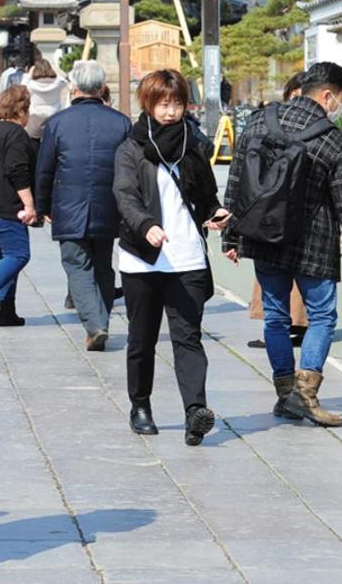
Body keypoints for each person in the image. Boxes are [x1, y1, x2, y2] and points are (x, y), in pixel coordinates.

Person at [223, 61, 342, 428]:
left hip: (264, 237)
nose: (339, 104)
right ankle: (305, 394)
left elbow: (236, 181)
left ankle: (285, 395)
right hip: (315, 242)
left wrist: (232, 235)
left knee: (276, 317)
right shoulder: (332, 139)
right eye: (340, 97)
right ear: (327, 95)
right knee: (322, 316)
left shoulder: (259, 123)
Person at [113, 70, 231, 444]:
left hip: (186, 256)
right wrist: (145, 224)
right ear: (148, 104)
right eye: (164, 104)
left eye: (177, 103)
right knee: (142, 337)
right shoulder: (131, 147)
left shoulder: (193, 144)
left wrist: (214, 214)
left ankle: (195, 411)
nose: (171, 111)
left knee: (188, 338)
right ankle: (141, 405)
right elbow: (125, 194)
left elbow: (206, 194)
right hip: (143, 258)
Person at [35, 60, 131, 351]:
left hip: (68, 203)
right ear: (102, 88)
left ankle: (95, 324)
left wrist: (42, 206)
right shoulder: (121, 122)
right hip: (109, 203)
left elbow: (45, 169)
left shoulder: (57, 123)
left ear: (73, 87)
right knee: (103, 264)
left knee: (77, 264)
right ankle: (99, 324)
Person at [246, 71, 310, 350]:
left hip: (295, 211)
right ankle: (278, 324)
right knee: (271, 272)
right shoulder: (272, 125)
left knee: (294, 274)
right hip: (270, 209)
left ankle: (293, 325)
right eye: (293, 96)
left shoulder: (313, 127)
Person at [0, 84, 37, 328]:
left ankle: (7, 311)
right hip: (6, 207)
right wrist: (29, 204)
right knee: (18, 254)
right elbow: (17, 169)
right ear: (21, 111)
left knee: (7, 256)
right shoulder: (16, 134)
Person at [24, 57, 66, 146]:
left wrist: (29, 74)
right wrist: (54, 71)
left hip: (34, 118)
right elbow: (64, 80)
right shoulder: (58, 84)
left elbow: (22, 86)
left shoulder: (30, 85)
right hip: (53, 118)